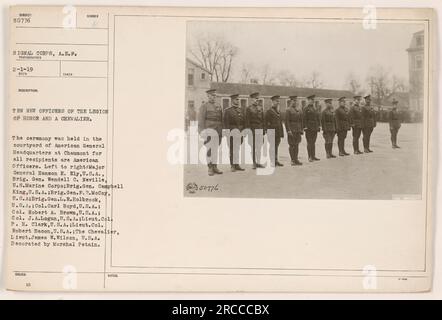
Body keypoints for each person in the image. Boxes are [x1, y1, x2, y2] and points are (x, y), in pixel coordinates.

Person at [198, 89, 223, 176]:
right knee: (209, 149)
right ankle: (210, 167)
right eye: (212, 95)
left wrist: (221, 131)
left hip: (218, 131)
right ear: (208, 96)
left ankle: (215, 166)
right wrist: (202, 132)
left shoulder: (218, 105)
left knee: (215, 149)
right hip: (209, 130)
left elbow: (221, 119)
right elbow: (201, 120)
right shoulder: (204, 106)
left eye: (214, 96)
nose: (213, 97)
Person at [224, 93, 245, 172]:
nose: (238, 101)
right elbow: (226, 124)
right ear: (232, 100)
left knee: (237, 149)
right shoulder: (228, 111)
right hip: (232, 133)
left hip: (240, 132)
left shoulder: (241, 110)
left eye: (238, 99)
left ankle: (237, 164)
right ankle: (232, 165)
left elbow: (243, 122)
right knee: (232, 149)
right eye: (236, 99)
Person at [245, 92, 265, 169]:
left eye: (258, 99)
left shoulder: (261, 108)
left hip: (260, 129)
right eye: (255, 99)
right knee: (253, 147)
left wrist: (264, 130)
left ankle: (258, 162)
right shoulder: (249, 108)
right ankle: (254, 162)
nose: (257, 100)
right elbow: (247, 121)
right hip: (252, 129)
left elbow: (263, 120)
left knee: (259, 146)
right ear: (252, 99)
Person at [265, 95, 284, 167]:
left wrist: (281, 133)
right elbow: (266, 123)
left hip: (278, 132)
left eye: (278, 101)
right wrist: (269, 131)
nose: (277, 103)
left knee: (276, 146)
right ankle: (272, 161)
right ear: (272, 102)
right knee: (272, 147)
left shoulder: (278, 111)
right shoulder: (269, 111)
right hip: (272, 132)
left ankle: (275, 160)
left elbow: (280, 122)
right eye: (276, 101)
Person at [285, 95, 304, 165]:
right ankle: (292, 160)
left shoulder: (299, 110)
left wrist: (301, 129)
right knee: (292, 145)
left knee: (297, 145)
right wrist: (288, 130)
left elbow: (301, 120)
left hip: (298, 130)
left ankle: (296, 159)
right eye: (293, 101)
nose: (295, 102)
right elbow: (287, 121)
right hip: (292, 130)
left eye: (296, 100)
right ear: (291, 101)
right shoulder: (288, 110)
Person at [303, 94, 321, 162]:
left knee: (313, 142)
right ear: (308, 100)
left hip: (314, 128)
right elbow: (304, 118)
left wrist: (318, 126)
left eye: (313, 100)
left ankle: (313, 156)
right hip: (309, 128)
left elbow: (317, 118)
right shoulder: (305, 108)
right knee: (309, 142)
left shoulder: (314, 108)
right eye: (311, 100)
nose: (312, 101)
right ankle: (309, 156)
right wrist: (305, 127)